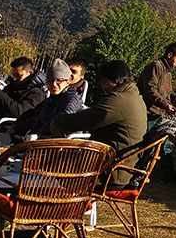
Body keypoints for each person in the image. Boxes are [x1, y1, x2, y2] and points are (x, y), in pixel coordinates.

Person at [50, 60, 146, 188]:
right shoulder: (134, 96)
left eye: (103, 83)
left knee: (51, 163)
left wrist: (57, 121)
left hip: (111, 172)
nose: (103, 88)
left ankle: (54, 205)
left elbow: (86, 120)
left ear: (108, 81)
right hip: (124, 165)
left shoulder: (118, 100)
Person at [137, 42, 176, 182]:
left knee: (165, 145)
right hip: (148, 113)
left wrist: (171, 107)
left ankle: (168, 175)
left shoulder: (168, 73)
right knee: (146, 146)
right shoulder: (155, 66)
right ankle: (139, 173)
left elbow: (166, 95)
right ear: (169, 55)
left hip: (160, 115)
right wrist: (165, 105)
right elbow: (150, 89)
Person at [22, 59, 87, 137]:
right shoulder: (49, 100)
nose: (54, 84)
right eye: (50, 81)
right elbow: (39, 122)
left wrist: (39, 134)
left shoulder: (72, 98)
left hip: (64, 143)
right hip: (45, 141)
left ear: (67, 82)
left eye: (59, 81)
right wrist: (32, 133)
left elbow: (62, 121)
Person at [0, 56, 47, 125]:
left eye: (18, 75)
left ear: (30, 73)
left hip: (13, 130)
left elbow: (18, 112)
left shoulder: (36, 93)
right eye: (13, 75)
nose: (15, 78)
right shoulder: (10, 87)